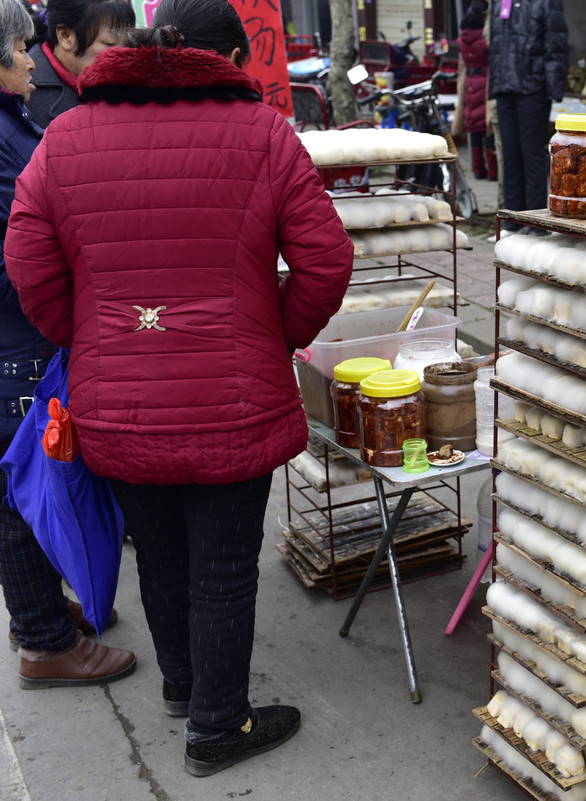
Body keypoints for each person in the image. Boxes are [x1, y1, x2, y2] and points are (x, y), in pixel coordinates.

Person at [6, 0, 354, 776]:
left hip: (119, 402)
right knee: (224, 567)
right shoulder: (264, 132)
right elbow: (327, 260)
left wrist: (88, 337)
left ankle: (182, 686)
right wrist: (275, 332)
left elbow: (27, 263)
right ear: (225, 58)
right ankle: (218, 724)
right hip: (236, 399)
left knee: (161, 558)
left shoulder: (66, 137)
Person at [0, 0, 135, 688]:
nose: (28, 61)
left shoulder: (12, 119)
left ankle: (45, 612)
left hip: (27, 333)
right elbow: (17, 252)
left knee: (32, 478)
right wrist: (70, 304)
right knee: (21, 489)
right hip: (16, 339)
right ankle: (43, 640)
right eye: (17, 49)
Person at [488, 0, 568, 231]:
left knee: (531, 156)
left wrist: (553, 89)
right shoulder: (501, 2)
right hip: (504, 87)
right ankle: (513, 221)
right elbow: (495, 45)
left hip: (533, 88)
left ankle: (535, 222)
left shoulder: (545, 2)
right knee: (510, 156)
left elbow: (557, 44)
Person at [26, 0, 135, 128]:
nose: (122, 53)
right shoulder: (26, 93)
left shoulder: (136, 86)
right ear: (65, 36)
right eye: (109, 44)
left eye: (127, 44)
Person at [452, 1, 496, 181]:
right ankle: (493, 172)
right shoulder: (485, 35)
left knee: (474, 129)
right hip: (485, 82)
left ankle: (478, 171)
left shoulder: (462, 38)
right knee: (488, 128)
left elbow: (461, 65)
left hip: (469, 84)